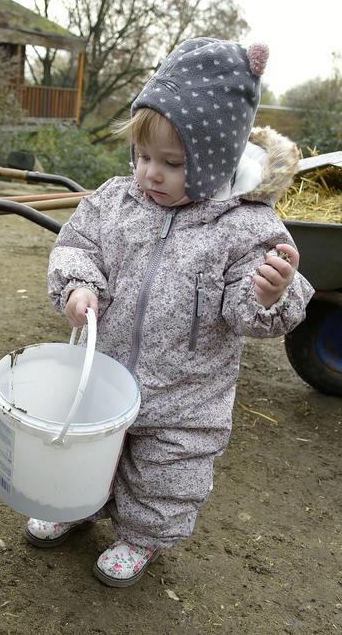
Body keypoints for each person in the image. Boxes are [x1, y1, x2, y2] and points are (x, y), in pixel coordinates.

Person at [24, 37, 315, 587]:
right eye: (142, 157)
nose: (150, 174)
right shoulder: (115, 201)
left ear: (216, 158)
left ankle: (142, 539)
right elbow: (78, 245)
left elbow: (244, 313)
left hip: (186, 392)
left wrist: (269, 294)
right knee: (87, 448)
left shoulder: (247, 227)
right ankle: (76, 506)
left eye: (172, 163)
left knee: (167, 473)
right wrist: (78, 286)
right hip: (102, 369)